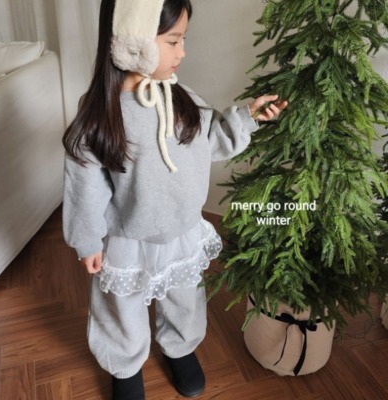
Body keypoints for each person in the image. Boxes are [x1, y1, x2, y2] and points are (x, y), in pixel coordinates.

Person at [62, 0, 288, 399]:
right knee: (121, 308)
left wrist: (247, 117)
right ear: (133, 43)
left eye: (182, 39)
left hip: (182, 231)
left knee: (184, 298)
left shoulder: (182, 99)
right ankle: (125, 366)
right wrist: (87, 239)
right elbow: (84, 186)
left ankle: (180, 347)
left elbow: (210, 140)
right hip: (127, 238)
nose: (182, 52)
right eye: (173, 41)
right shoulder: (101, 116)